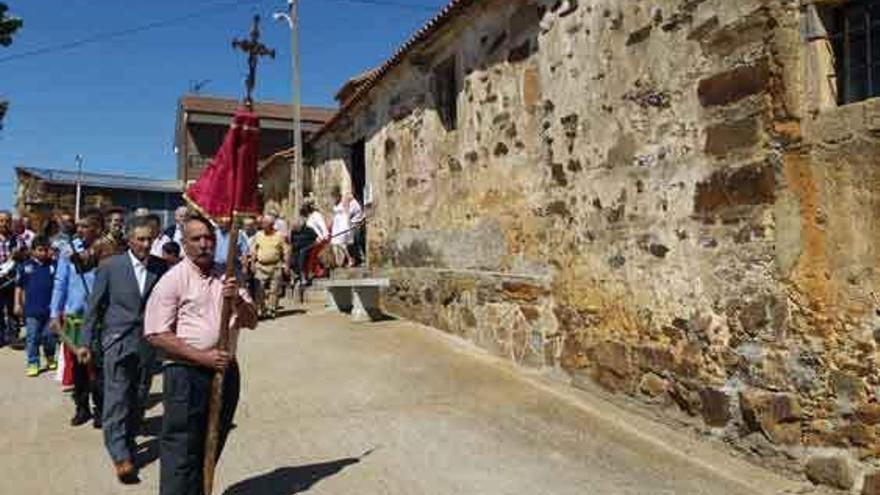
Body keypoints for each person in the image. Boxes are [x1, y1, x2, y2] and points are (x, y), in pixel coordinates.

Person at [145, 215, 258, 495]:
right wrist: (201, 357)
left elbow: (251, 321)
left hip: (225, 372)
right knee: (182, 449)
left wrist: (238, 300)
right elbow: (156, 334)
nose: (204, 244)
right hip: (186, 373)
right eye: (196, 239)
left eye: (208, 238)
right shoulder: (173, 279)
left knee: (213, 440)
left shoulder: (229, 275)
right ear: (184, 244)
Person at [81, 216, 168, 484]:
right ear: (129, 240)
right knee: (117, 396)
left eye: (148, 239)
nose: (144, 244)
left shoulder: (161, 268)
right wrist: (85, 342)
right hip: (117, 340)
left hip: (146, 343)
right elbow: (94, 307)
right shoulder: (110, 266)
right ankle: (120, 455)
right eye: (140, 239)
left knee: (139, 396)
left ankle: (128, 441)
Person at [50, 210, 103, 427]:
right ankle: (82, 406)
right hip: (76, 316)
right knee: (79, 366)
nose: (80, 230)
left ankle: (101, 408)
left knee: (99, 367)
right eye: (78, 226)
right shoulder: (67, 252)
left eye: (85, 226)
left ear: (97, 229)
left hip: (100, 315)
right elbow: (60, 283)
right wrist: (55, 312)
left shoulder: (105, 251)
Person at [15, 235, 57, 377]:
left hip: (50, 310)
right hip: (32, 310)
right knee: (32, 338)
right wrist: (17, 303)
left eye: (46, 250)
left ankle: (50, 357)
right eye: (40, 250)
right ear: (33, 250)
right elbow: (19, 287)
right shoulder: (25, 267)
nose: (43, 253)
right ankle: (33, 362)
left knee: (49, 337)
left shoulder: (53, 265)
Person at [250, 214, 288, 319]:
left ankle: (272, 310)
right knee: (259, 289)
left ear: (272, 225)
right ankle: (262, 309)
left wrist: (286, 264)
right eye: (263, 223)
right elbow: (254, 249)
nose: (263, 225)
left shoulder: (279, 235)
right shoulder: (258, 235)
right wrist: (252, 263)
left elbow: (286, 250)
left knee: (274, 290)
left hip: (275, 265)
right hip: (261, 266)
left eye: (265, 223)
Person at [0, 210, 26, 348]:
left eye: (7, 221)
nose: (4, 224)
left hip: (12, 281)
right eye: (1, 221)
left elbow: (26, 258)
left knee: (12, 311)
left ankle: (13, 337)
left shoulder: (17, 240)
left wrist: (19, 256)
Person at [330, 188, 353, 268]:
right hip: (336, 225)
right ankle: (339, 261)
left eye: (334, 196)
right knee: (334, 243)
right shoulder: (335, 204)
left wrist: (347, 226)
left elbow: (347, 214)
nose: (333, 198)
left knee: (341, 244)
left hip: (342, 224)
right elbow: (334, 215)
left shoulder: (343, 203)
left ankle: (349, 259)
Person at [346, 192, 366, 266]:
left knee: (356, 242)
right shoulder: (352, 203)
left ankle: (361, 258)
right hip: (354, 224)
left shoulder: (354, 204)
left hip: (355, 224)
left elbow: (349, 214)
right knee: (354, 243)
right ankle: (357, 259)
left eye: (348, 196)